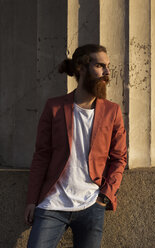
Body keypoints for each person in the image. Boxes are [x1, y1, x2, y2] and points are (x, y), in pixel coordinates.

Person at [25, 44, 127, 248]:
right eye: (100, 66)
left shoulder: (112, 111)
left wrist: (104, 197)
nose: (107, 73)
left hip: (92, 205)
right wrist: (32, 200)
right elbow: (41, 156)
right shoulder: (54, 107)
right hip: (52, 204)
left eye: (108, 66)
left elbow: (119, 158)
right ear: (81, 67)